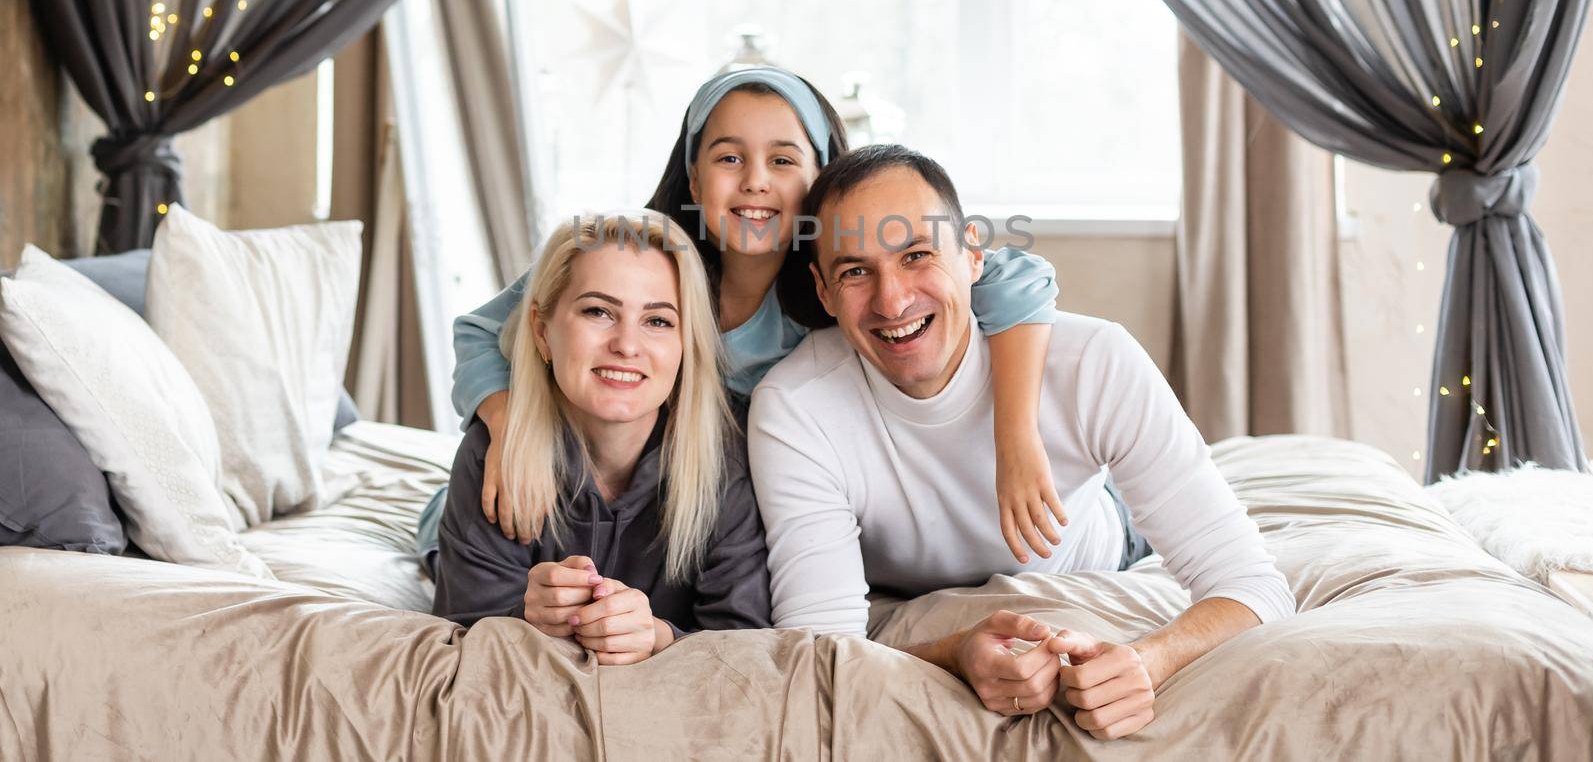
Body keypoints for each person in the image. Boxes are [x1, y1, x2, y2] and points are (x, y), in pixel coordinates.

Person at [747, 145, 1296, 739]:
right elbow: (818, 649)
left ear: (974, 255)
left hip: (1098, 542)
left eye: (917, 256)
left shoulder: (1092, 360)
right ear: (824, 293)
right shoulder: (795, 408)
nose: (892, 300)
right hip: (908, 583)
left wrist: (1148, 660)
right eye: (856, 271)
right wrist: (955, 652)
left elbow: (1255, 585)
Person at [449, 66, 1078, 564]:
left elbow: (1018, 277)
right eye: (728, 158)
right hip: (597, 516)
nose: (754, 181)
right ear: (693, 181)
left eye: (782, 160)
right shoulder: (635, 262)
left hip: (733, 535)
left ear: (822, 177)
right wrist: (508, 432)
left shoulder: (852, 286)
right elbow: (481, 331)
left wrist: (1015, 438)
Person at [419, 212, 770, 661]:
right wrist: (525, 619)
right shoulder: (492, 451)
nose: (626, 344)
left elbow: (746, 644)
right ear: (543, 332)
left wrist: (661, 636)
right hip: (453, 519)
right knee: (436, 536)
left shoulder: (730, 461)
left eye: (658, 321)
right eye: (598, 311)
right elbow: (462, 630)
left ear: (687, 344)